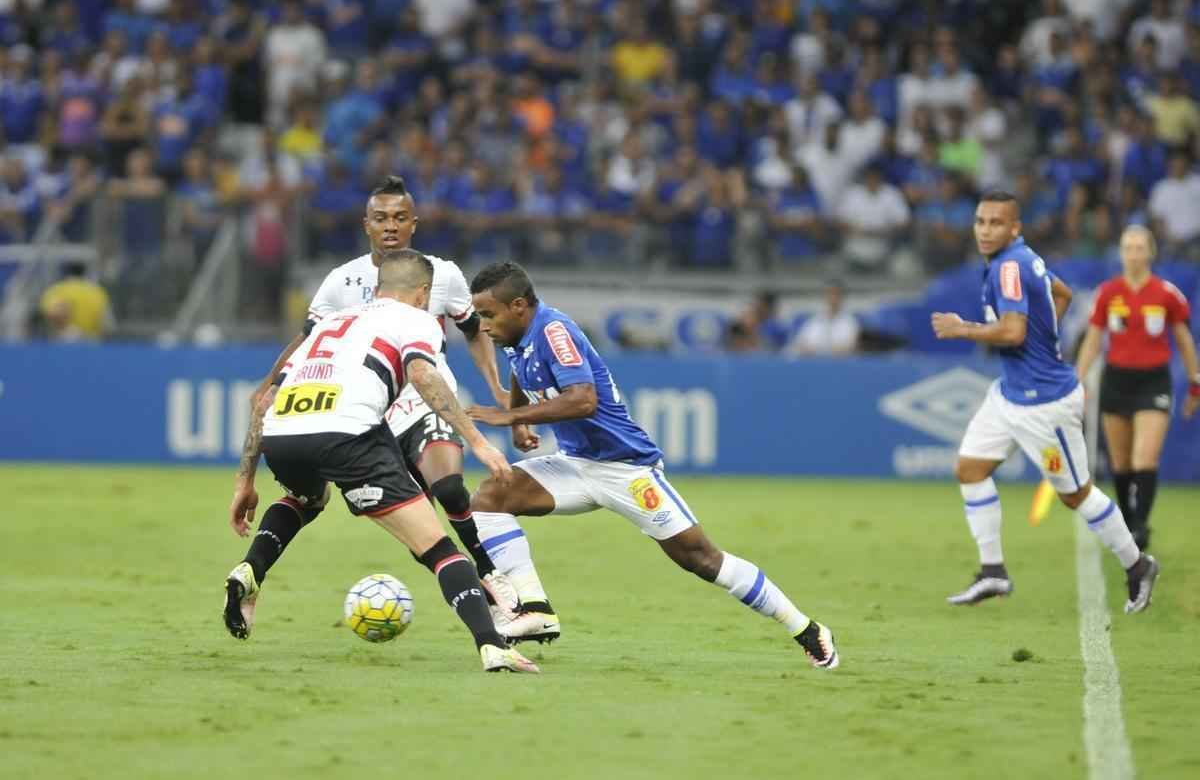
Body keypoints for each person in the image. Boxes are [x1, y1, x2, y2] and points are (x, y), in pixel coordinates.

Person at [462, 262, 839, 670]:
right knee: (490, 496)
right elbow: (521, 367)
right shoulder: (517, 336)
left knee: (702, 559)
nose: (483, 326)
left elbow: (583, 399)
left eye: (488, 315)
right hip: (576, 465)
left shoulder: (554, 331)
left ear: (518, 306)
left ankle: (805, 628)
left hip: (626, 469)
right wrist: (518, 417)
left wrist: (509, 417)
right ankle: (535, 609)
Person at [224, 251, 537, 674]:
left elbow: (263, 402)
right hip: (347, 434)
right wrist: (479, 442)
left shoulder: (331, 323)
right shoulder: (418, 320)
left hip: (284, 435)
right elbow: (426, 377)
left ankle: (251, 567)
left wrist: (245, 480)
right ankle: (491, 646)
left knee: (309, 498)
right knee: (438, 548)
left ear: (376, 289)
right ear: (423, 293)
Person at [250, 176, 517, 622]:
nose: (390, 226)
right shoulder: (341, 281)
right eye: (380, 219)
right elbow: (310, 339)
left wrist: (494, 387)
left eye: (399, 218)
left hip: (424, 404)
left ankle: (490, 576)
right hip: (364, 414)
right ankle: (471, 590)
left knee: (448, 484)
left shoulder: (441, 273)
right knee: (410, 520)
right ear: (366, 225)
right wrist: (271, 381)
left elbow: (475, 331)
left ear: (414, 223)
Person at [931, 192, 1159, 614]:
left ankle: (1137, 565)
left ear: (1014, 227)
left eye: (996, 223)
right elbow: (1063, 294)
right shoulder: (1023, 258)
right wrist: (1045, 337)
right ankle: (993, 570)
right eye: (980, 221)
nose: (984, 229)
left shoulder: (1009, 267)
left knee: (1076, 495)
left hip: (1044, 406)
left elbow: (1014, 332)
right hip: (1009, 394)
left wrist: (964, 329)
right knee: (970, 468)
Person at [1075, 225, 1200, 549]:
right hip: (1116, 380)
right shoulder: (1107, 293)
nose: (1133, 254)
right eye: (1128, 248)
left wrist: (1195, 382)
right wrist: (1078, 379)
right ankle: (1128, 525)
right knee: (1121, 464)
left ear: (1150, 253)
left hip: (1153, 381)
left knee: (1145, 457)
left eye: (1139, 248)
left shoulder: (1167, 294)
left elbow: (1185, 341)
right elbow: (1093, 339)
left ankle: (1141, 527)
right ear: (1121, 253)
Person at [38, 262, 113, 341]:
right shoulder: (96, 292)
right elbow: (107, 324)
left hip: (61, 341)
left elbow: (48, 316)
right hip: (91, 342)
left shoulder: (56, 290)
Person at [785, 279, 859, 356]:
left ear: (842, 297)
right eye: (829, 294)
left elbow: (849, 348)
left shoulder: (850, 322)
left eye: (836, 294)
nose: (833, 298)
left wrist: (819, 350)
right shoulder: (814, 321)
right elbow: (799, 344)